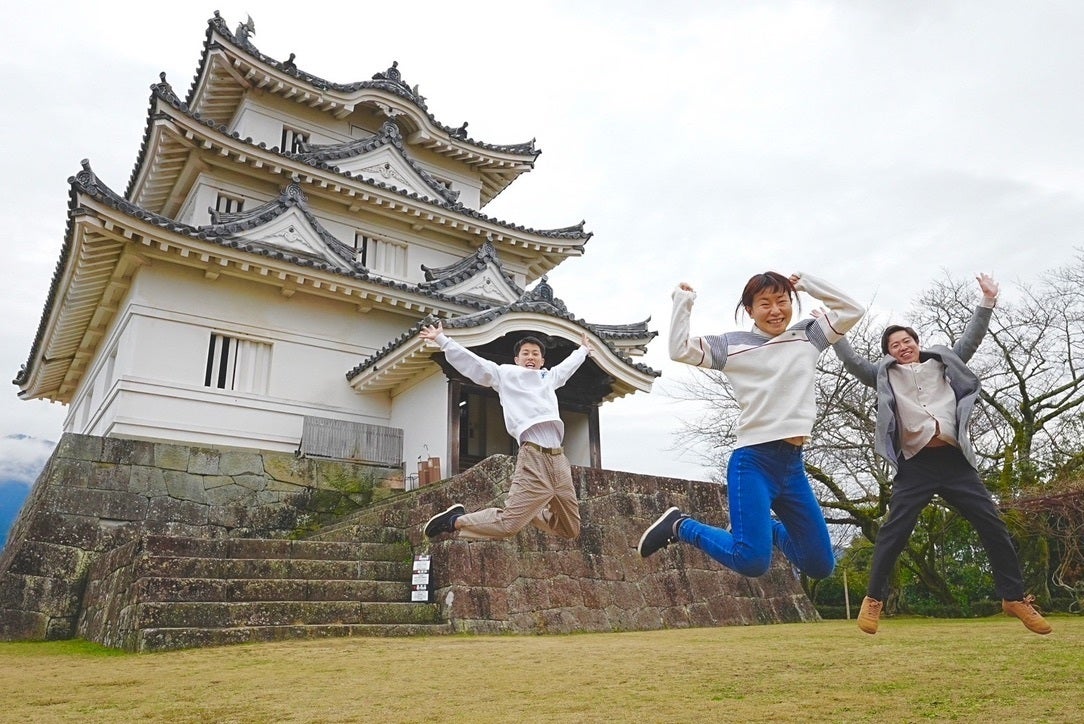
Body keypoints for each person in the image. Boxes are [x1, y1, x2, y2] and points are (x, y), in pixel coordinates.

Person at [831, 273, 1051, 635]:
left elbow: (971, 339)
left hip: (954, 462)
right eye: (894, 344)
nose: (902, 346)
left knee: (992, 524)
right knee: (894, 531)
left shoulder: (944, 363)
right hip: (915, 464)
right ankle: (873, 599)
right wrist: (834, 328)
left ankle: (1013, 598)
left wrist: (987, 301)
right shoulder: (884, 376)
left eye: (907, 340)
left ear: (917, 342)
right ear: (888, 353)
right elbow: (853, 362)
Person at [638, 271, 864, 583]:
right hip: (754, 461)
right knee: (751, 560)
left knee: (820, 565)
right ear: (750, 310)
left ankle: (767, 528)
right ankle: (680, 525)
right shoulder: (733, 346)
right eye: (765, 304)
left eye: (782, 301)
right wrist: (683, 302)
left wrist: (809, 284)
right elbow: (680, 350)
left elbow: (853, 310)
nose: (775, 311)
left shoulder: (808, 336)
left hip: (793, 467)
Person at [418, 321, 592, 542]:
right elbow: (474, 363)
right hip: (534, 457)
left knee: (571, 529)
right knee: (509, 525)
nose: (531, 357)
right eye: (525, 353)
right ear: (517, 359)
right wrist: (442, 340)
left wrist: (583, 350)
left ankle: (529, 510)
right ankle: (454, 521)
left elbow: (567, 367)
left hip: (559, 461)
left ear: (542, 361)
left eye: (535, 354)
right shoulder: (505, 374)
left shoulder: (548, 378)